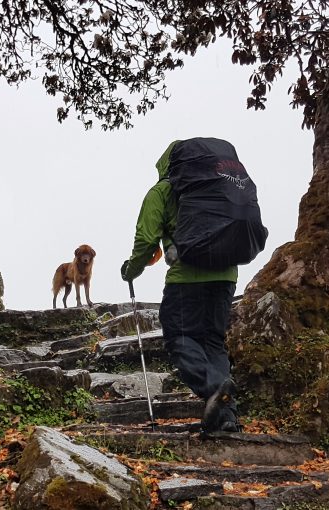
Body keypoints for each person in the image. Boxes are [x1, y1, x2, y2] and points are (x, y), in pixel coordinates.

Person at [120, 139, 242, 434]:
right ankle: (226, 417)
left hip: (187, 278)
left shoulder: (162, 191)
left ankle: (214, 389)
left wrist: (131, 270)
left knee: (180, 337)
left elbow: (146, 240)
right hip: (226, 274)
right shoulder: (219, 185)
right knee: (213, 341)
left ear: (165, 165)